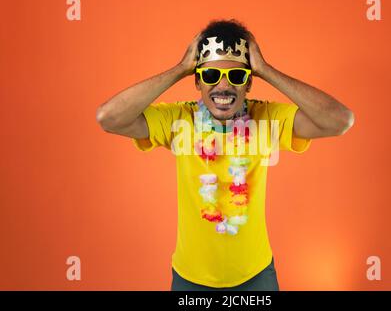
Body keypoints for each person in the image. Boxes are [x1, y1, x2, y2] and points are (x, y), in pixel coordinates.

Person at [96, 19, 354, 291]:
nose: (223, 86)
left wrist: (266, 70)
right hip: (190, 279)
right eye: (209, 76)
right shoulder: (180, 119)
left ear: (249, 82)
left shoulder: (265, 118)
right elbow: (108, 117)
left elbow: (340, 120)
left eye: (236, 76)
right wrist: (179, 69)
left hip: (256, 277)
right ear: (196, 81)